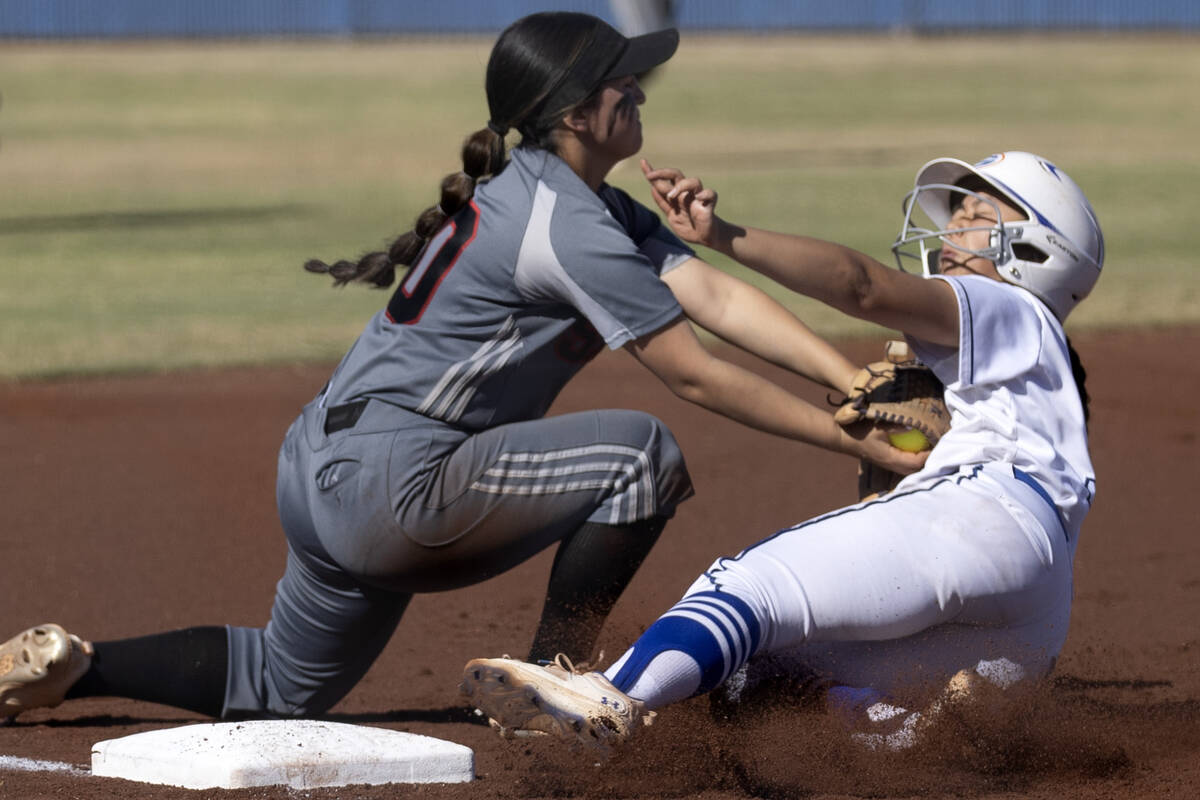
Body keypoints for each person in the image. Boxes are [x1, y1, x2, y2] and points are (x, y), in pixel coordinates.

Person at [0, 12, 919, 724]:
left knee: (283, 684)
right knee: (642, 458)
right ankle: (559, 685)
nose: (636, 85)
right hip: (396, 486)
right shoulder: (570, 225)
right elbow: (694, 373)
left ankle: (83, 665)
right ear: (572, 113)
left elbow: (713, 298)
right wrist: (833, 429)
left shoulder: (561, 197)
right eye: (617, 80)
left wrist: (845, 386)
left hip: (321, 466)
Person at [461, 150, 1104, 751]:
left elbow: (861, 286)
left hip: (984, 514)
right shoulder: (1044, 372)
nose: (954, 223)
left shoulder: (1005, 304)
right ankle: (908, 732)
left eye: (978, 212)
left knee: (746, 589)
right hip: (1036, 608)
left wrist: (723, 236)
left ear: (1034, 249)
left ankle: (611, 693)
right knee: (765, 677)